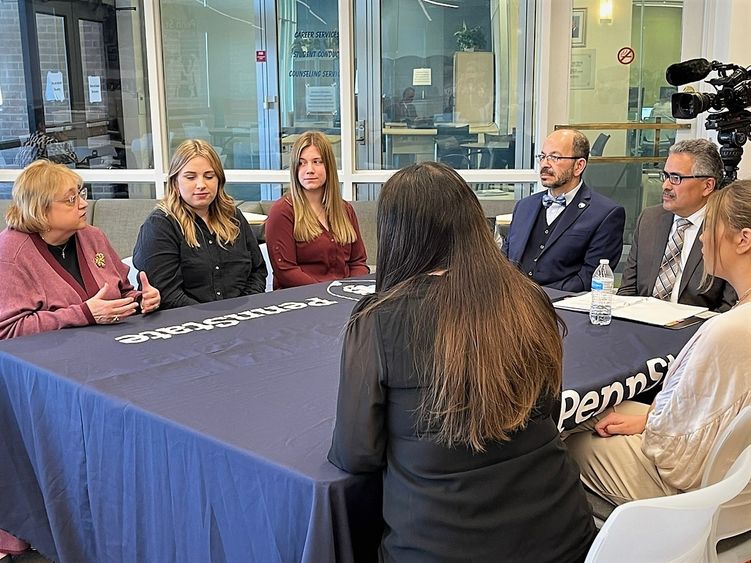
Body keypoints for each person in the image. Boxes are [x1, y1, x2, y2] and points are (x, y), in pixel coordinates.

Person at [328, 162, 595, 562]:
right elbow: (549, 411)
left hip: (438, 548)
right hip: (565, 538)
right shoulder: (530, 299)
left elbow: (356, 453)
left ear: (395, 234)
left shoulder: (378, 319)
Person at [567, 179, 751, 505]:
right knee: (599, 410)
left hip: (688, 488)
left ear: (743, 240)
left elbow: (675, 459)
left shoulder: (729, 331)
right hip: (725, 470)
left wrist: (650, 427)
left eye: (709, 228)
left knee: (556, 441)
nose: (702, 240)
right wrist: (649, 419)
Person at [0, 160, 160, 340]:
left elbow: (122, 292)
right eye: (71, 200)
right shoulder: (10, 253)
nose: (84, 203)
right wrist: (84, 314)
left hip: (113, 344)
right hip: (52, 359)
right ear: (40, 209)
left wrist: (141, 300)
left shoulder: (92, 236)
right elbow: (9, 330)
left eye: (81, 194)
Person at [133, 139, 267, 309]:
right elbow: (168, 294)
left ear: (219, 180)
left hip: (241, 317)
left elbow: (258, 271)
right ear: (175, 183)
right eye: (190, 177)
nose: (201, 185)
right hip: (187, 324)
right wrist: (213, 319)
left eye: (209, 176)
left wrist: (243, 310)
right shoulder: (160, 226)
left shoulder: (233, 217)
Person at [618, 139, 736, 311]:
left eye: (676, 178)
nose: (665, 186)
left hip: (697, 333)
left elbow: (728, 308)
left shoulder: (728, 228)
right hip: (640, 327)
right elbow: (627, 291)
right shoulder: (650, 219)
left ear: (707, 185)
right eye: (665, 176)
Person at [503, 128, 625, 292]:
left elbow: (589, 279)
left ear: (579, 166)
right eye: (543, 157)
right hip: (511, 303)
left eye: (555, 157)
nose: (545, 164)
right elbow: (504, 261)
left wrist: (537, 298)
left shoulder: (605, 214)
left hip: (562, 309)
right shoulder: (524, 206)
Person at [265, 131, 369, 290]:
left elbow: (358, 262)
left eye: (317, 162)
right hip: (302, 300)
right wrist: (327, 293)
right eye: (302, 163)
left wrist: (350, 290)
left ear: (328, 166)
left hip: (344, 296)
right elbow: (285, 271)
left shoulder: (344, 210)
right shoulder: (282, 212)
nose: (309, 170)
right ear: (294, 168)